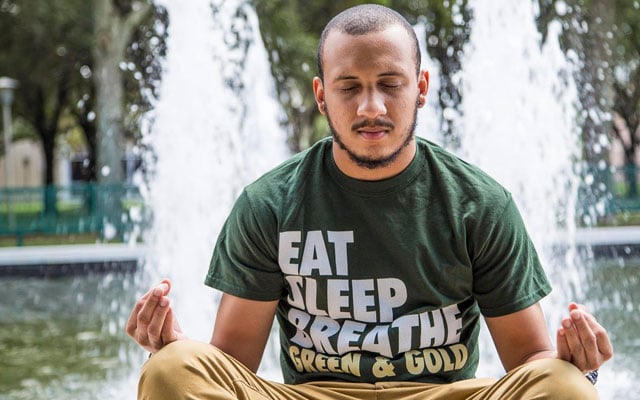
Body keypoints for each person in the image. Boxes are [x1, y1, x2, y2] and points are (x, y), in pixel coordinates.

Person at [126, 4, 612, 399]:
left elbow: (529, 361)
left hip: (442, 396)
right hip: (312, 396)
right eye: (350, 87)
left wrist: (575, 363)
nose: (371, 107)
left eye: (390, 84)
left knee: (565, 387)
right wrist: (178, 353)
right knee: (172, 369)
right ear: (321, 95)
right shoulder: (270, 203)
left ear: (420, 89)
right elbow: (232, 368)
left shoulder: (479, 204)